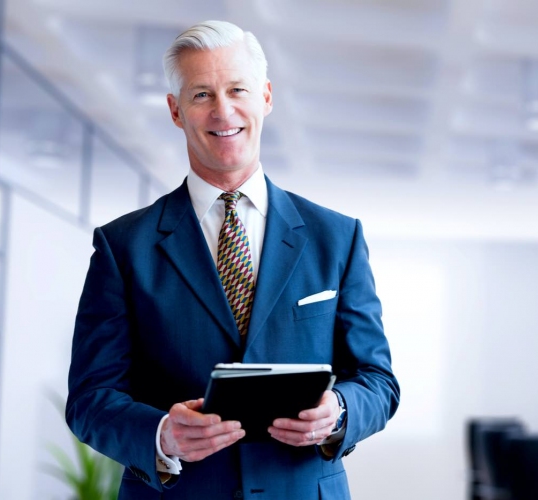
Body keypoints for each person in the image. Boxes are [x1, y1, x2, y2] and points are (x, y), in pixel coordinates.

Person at [66, 20, 399, 500]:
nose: (223, 111)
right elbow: (90, 399)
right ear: (176, 111)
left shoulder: (337, 237)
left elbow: (378, 381)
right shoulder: (123, 246)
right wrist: (161, 434)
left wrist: (340, 412)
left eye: (237, 89)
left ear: (265, 96)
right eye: (201, 94)